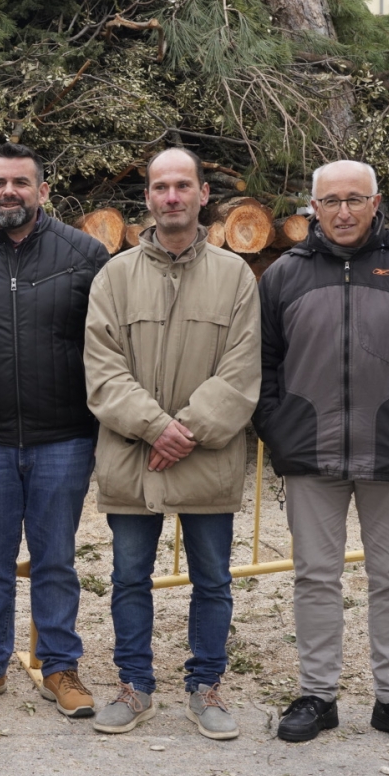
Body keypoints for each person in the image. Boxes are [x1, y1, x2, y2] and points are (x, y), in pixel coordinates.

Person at [256, 160, 389, 750]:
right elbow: (261, 366)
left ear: (377, 203)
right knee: (315, 579)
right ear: (313, 209)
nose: (344, 211)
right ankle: (317, 696)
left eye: (356, 199)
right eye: (331, 201)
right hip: (310, 454)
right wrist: (279, 430)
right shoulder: (283, 277)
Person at [83, 147, 261, 740]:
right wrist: (159, 429)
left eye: (184, 185)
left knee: (213, 580)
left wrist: (186, 432)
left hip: (208, 461)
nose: (172, 196)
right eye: (161, 186)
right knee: (129, 578)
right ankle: (135, 686)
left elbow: (242, 373)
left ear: (204, 195)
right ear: (149, 197)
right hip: (134, 460)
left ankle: (205, 687)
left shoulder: (236, 276)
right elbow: (102, 372)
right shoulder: (114, 276)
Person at [0, 143, 110, 717]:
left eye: (20, 182)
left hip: (63, 434)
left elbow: (108, 344)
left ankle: (59, 668)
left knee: (56, 558)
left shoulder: (85, 254)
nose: (7, 191)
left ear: (43, 190)